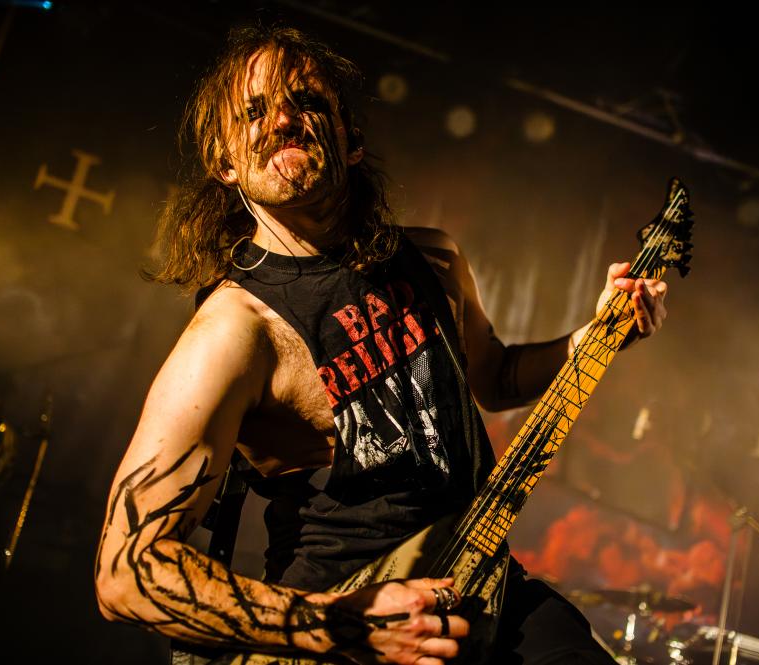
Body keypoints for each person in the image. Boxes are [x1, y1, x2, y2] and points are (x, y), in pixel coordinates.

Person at [94, 24, 668, 665]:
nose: (282, 120)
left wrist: (597, 335)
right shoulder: (234, 331)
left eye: (307, 101)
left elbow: (497, 378)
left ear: (352, 139)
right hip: (344, 630)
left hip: (483, 586)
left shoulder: (433, 260)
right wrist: (344, 626)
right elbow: (124, 573)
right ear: (225, 164)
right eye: (254, 112)